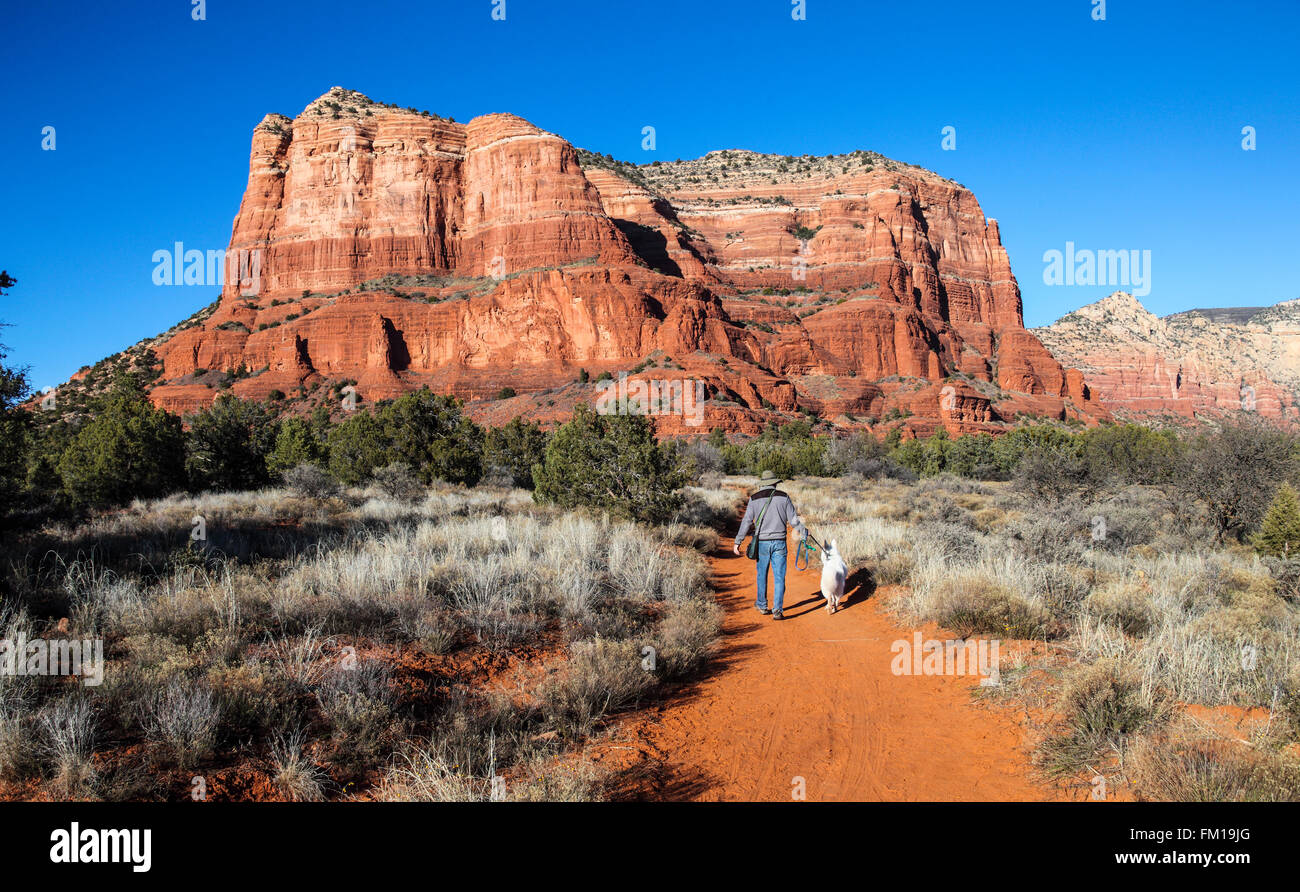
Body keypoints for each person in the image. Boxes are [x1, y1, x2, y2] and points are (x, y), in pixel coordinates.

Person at [732, 471, 804, 620]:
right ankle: (777, 610)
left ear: (763, 483)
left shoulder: (754, 498)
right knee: (779, 577)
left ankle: (762, 605)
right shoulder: (784, 497)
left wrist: (738, 541)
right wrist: (805, 531)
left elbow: (746, 522)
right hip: (779, 542)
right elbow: (794, 521)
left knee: (761, 574)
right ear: (775, 483)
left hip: (762, 543)